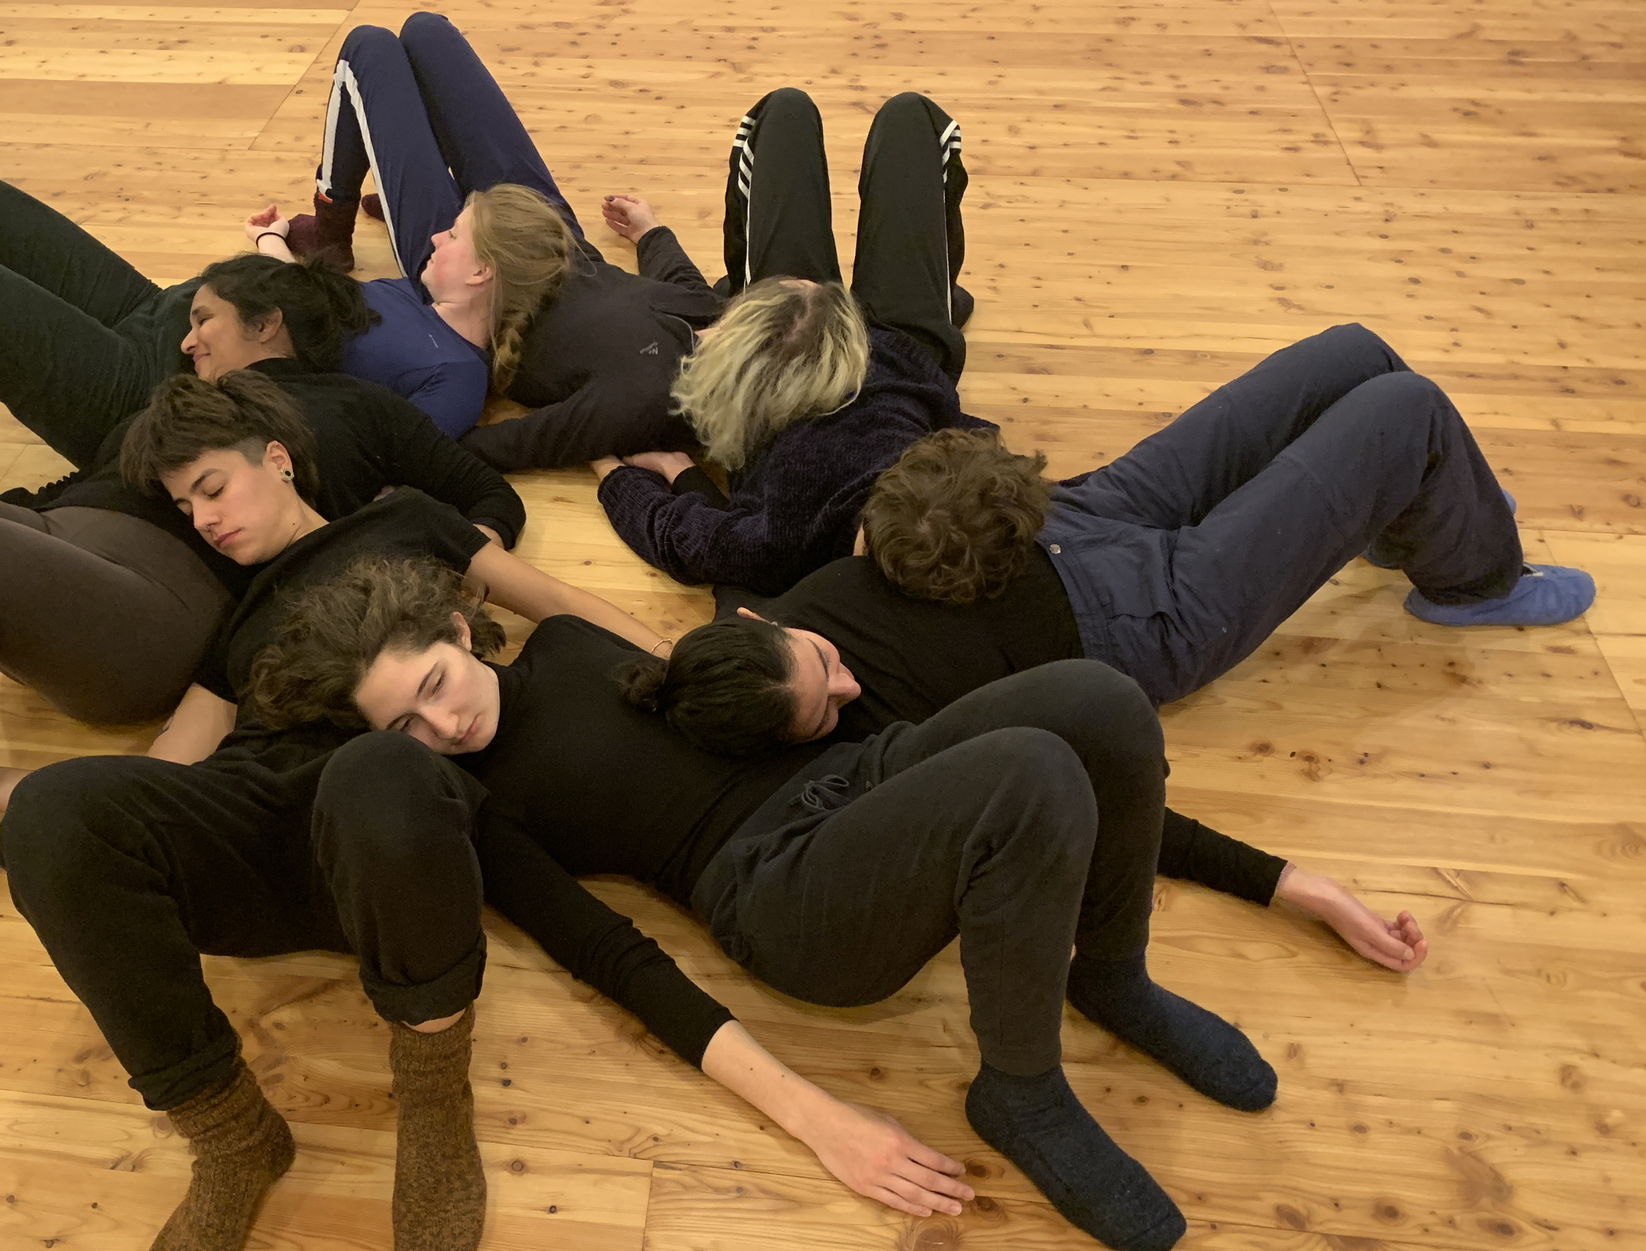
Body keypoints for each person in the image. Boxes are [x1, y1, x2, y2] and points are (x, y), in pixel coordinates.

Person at [255, 557, 1287, 1251]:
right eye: (407, 726)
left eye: (435, 681)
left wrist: (1263, 876)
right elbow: (610, 956)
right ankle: (1019, 1091)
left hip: (854, 780)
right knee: (1027, 772)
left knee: (1097, 701)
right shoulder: (480, 806)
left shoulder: (569, 639)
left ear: (454, 629)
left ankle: (1110, 974)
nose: (444, 720)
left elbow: (735, 700)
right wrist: (817, 1120)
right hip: (776, 891)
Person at [0, 478, 755, 1251]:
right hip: (240, 823)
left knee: (380, 770)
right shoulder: (254, 630)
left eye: (214, 488)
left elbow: (593, 934)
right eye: (188, 502)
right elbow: (164, 772)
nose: (446, 721)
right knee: (47, 819)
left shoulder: (416, 555)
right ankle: (230, 1141)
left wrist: (694, 659)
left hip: (376, 842)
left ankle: (432, 1097)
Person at [0, 273, 527, 970]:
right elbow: (90, 480)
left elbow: (482, 492)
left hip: (160, 600)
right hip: (60, 541)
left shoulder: (352, 405)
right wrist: (21, 525)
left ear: (269, 326)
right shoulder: (168, 421)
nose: (190, 339)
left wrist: (445, 575)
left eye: (206, 319)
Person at [0, 149, 501, 541]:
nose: (437, 234)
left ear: (489, 275)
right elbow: (301, 300)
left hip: (152, 390)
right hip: (168, 310)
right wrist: (268, 249)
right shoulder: (416, 289)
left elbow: (397, 460)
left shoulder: (454, 373)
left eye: (457, 236)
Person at [621, 605, 1429, 972]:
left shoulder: (781, 642)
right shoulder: (850, 730)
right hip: (1116, 607)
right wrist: (1295, 888)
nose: (849, 687)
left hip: (1079, 546)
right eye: (819, 713)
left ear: (763, 614)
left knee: (1354, 369)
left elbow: (1115, 776)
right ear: (777, 747)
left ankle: (1114, 976)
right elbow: (1100, 789)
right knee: (1050, 757)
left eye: (824, 662)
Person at [853, 324, 1594, 701]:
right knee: (1409, 409)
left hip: (1061, 530)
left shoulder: (881, 545)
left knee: (1353, 352)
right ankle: (1475, 582)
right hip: (1148, 618)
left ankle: (1421, 514)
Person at [277, 10, 727, 469]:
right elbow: (685, 287)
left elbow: (516, 444)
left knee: (367, 50)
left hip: (466, 281)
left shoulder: (639, 397)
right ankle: (433, 194)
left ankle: (331, 232)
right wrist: (650, 231)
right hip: (542, 231)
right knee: (426, 31)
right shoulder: (719, 317)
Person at [592, 87, 990, 600]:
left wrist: (612, 472)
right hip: (902, 350)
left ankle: (760, 293)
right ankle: (937, 299)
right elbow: (977, 441)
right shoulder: (947, 503)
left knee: (782, 113)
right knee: (912, 118)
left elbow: (675, 536)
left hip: (785, 349)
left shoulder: (782, 544)